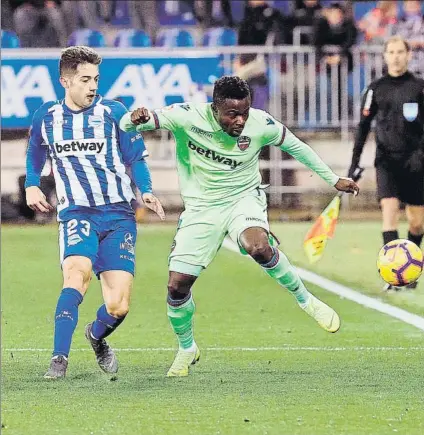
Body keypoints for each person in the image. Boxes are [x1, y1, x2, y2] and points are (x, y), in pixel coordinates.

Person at [120, 76, 360, 377]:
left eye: (245, 112)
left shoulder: (261, 124)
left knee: (258, 246)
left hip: (243, 200)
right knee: (176, 286)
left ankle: (306, 300)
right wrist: (133, 118)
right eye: (232, 114)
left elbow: (298, 147)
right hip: (201, 209)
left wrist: (333, 179)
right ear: (215, 108)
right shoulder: (186, 116)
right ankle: (187, 347)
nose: (241, 120)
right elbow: (128, 126)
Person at [25, 46, 165, 379]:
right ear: (65, 80)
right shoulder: (46, 116)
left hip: (118, 215)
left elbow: (135, 158)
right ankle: (59, 359)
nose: (92, 86)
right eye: (85, 79)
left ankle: (96, 335)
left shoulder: (114, 112)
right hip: (76, 213)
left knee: (118, 306)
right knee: (77, 275)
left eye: (96, 79)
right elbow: (35, 154)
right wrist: (32, 184)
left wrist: (145, 190)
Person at [348, 36, 424, 291]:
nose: (395, 56)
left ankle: (409, 273)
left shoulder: (419, 87)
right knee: (389, 214)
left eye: (400, 51)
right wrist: (354, 164)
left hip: (415, 162)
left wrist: (421, 154)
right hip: (386, 161)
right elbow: (363, 128)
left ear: (408, 55)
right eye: (390, 52)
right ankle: (394, 277)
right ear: (384, 56)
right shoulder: (375, 88)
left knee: (417, 223)